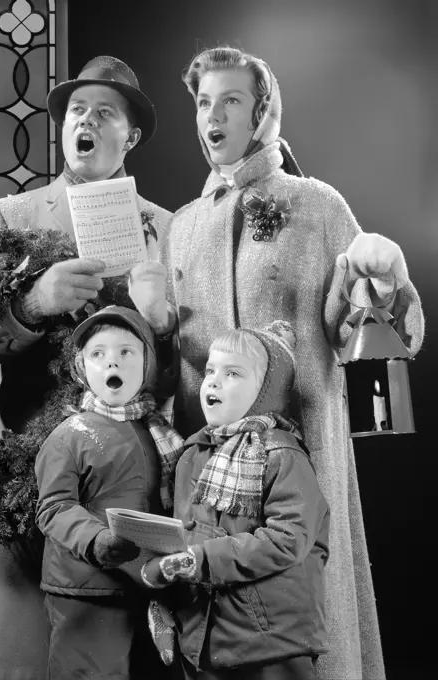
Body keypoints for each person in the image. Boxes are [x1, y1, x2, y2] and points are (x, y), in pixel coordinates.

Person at [128, 47, 425, 680]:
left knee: (303, 633)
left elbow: (367, 324)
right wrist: (153, 321)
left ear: (263, 112)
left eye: (231, 99)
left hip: (302, 451)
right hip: (211, 473)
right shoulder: (181, 226)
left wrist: (383, 277)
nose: (213, 114)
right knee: (215, 618)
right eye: (204, 102)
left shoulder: (316, 204)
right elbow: (169, 370)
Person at [0, 56, 173, 680]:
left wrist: (158, 323)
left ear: (129, 137)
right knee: (21, 661)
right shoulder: (7, 219)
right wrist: (32, 303)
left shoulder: (168, 230)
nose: (86, 120)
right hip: (25, 473)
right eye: (76, 110)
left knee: (109, 658)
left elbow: (189, 366)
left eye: (104, 112)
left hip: (129, 483)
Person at [141, 322, 330, 680]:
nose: (212, 381)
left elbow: (288, 539)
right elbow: (187, 535)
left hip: (272, 638)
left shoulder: (280, 454)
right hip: (208, 635)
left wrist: (202, 559)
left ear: (265, 391)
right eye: (210, 370)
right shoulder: (191, 456)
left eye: (232, 373)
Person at [35, 305, 184, 680]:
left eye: (125, 352)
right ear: (82, 367)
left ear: (147, 364)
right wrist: (96, 539)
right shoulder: (69, 436)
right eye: (97, 354)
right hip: (88, 590)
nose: (111, 363)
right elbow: (53, 507)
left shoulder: (159, 433)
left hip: (149, 584)